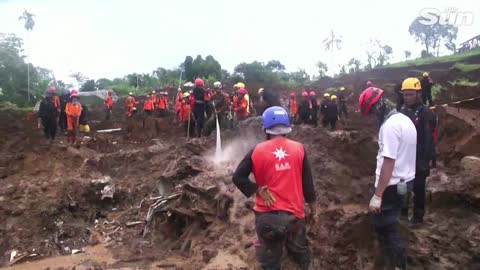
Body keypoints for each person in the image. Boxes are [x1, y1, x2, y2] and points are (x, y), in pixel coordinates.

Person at [232, 106, 317, 270]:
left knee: (270, 263)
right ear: (287, 127)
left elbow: (237, 177)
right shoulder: (299, 148)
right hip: (295, 217)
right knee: (301, 255)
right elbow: (308, 184)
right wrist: (314, 211)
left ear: (265, 128)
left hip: (268, 219)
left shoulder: (256, 150)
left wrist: (257, 189)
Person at [358, 86, 417, 270]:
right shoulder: (405, 119)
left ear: (378, 107)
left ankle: (397, 265)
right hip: (405, 182)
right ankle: (389, 263)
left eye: (372, 112)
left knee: (386, 230)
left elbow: (389, 162)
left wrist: (378, 195)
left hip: (390, 186)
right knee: (391, 224)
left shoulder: (389, 127)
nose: (374, 117)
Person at [399, 77, 436, 225]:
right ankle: (401, 212)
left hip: (419, 156)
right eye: (405, 94)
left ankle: (418, 217)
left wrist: (426, 160)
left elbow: (428, 138)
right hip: (404, 157)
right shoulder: (401, 111)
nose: (407, 98)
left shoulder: (425, 113)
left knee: (418, 188)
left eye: (410, 94)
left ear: (418, 94)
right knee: (401, 186)